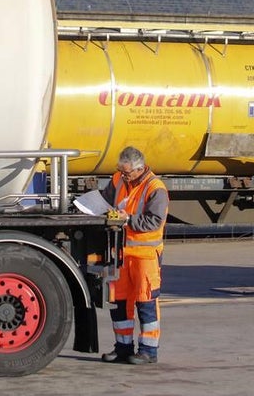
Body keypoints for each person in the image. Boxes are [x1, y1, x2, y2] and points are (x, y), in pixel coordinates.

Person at [98, 146, 168, 365]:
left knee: (145, 302)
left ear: (139, 169)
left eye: (127, 172)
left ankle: (148, 351)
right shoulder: (119, 179)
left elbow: (153, 222)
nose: (123, 175)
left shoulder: (156, 188)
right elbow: (104, 198)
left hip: (144, 256)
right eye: (121, 170)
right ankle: (123, 348)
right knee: (119, 302)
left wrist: (127, 219)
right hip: (121, 255)